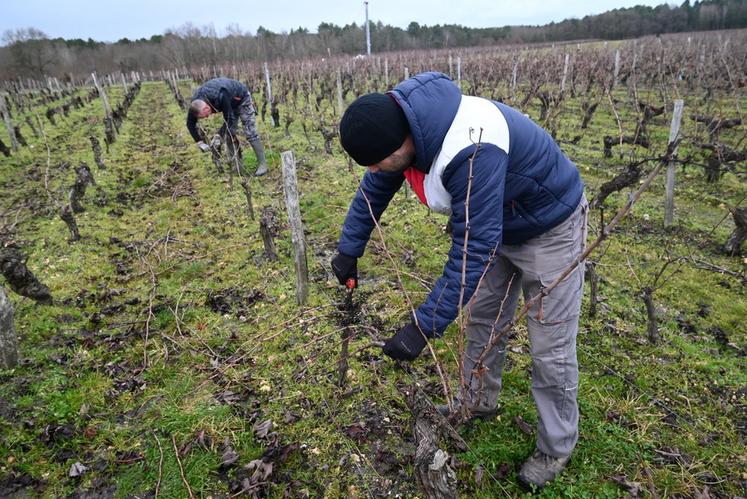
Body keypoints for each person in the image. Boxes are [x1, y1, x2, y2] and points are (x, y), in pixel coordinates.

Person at [331, 72, 587, 489]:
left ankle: (555, 447)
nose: (375, 169)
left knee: (550, 345)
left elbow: (473, 247)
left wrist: (422, 327)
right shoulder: (404, 129)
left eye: (378, 160)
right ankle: (476, 404)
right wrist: (349, 248)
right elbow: (374, 188)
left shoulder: (472, 147)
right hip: (498, 221)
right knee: (483, 321)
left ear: (401, 144)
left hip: (549, 225)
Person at [186, 77, 268, 176]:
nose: (208, 117)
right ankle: (237, 166)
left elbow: (229, 119)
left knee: (250, 131)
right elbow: (190, 123)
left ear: (206, 107)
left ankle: (263, 164)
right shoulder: (195, 105)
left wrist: (218, 135)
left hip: (241, 98)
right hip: (229, 104)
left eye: (206, 115)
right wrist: (199, 142)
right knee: (229, 134)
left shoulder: (220, 95)